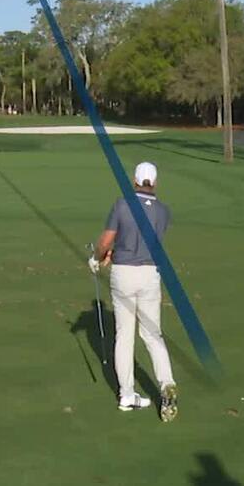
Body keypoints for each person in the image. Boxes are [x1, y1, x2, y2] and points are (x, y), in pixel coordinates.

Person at [90, 161, 178, 421]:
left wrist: (98, 257)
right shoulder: (164, 212)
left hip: (124, 275)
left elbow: (107, 240)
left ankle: (127, 394)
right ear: (155, 182)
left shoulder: (122, 205)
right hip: (150, 274)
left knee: (125, 335)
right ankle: (166, 383)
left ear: (135, 181)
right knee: (152, 334)